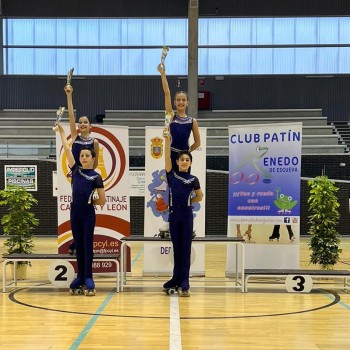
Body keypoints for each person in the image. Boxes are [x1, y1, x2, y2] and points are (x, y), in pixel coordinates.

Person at [54, 122, 106, 296]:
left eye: (86, 156)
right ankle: (80, 276)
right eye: (82, 155)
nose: (83, 158)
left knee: (87, 245)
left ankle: (89, 277)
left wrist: (92, 200)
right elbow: (68, 151)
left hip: (88, 214)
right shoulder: (75, 170)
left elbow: (102, 200)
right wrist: (62, 133)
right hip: (74, 212)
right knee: (78, 247)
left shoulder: (96, 177)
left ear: (93, 158)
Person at [162, 130, 203, 297]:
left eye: (187, 159)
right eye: (182, 159)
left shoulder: (193, 179)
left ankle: (185, 281)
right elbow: (166, 157)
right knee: (176, 249)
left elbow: (199, 196)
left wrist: (188, 202)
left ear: (190, 162)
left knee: (185, 249)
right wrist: (166, 140)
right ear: (177, 162)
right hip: (173, 216)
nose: (184, 162)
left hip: (187, 216)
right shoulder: (171, 175)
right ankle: (175, 278)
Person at [65, 84, 100, 255]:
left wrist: (92, 182)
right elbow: (71, 116)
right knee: (76, 206)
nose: (82, 124)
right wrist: (70, 96)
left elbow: (95, 164)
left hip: (88, 177)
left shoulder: (95, 142)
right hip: (76, 175)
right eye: (81, 122)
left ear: (90, 126)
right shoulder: (75, 138)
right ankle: (75, 241)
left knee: (85, 208)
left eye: (86, 122)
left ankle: (78, 243)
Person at [157, 63, 201, 171]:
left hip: (184, 158)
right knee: (172, 184)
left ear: (187, 103)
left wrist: (187, 152)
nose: (181, 102)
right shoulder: (171, 116)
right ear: (175, 103)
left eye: (183, 100)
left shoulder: (192, 121)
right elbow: (167, 93)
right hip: (171, 155)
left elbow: (198, 142)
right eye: (178, 100)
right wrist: (163, 74)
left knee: (184, 185)